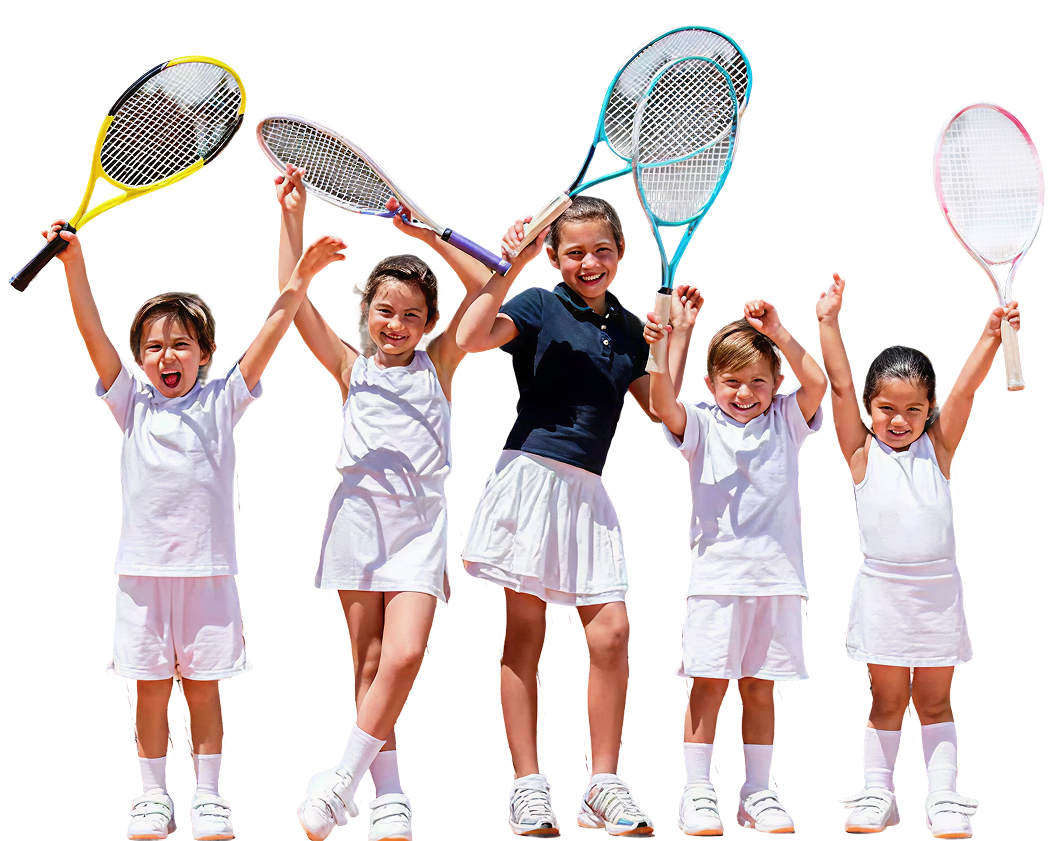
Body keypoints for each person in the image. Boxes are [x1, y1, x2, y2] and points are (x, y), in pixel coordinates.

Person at [42, 216, 347, 841]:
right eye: (153, 347)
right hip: (142, 576)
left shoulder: (223, 398)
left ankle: (209, 798)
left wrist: (301, 276)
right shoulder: (131, 402)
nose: (166, 356)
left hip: (208, 574)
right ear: (139, 360)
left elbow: (272, 331)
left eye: (181, 344)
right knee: (150, 691)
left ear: (206, 354)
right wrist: (74, 266)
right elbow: (92, 331)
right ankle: (154, 798)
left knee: (203, 690)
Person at [456, 196, 701, 838]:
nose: (588, 262)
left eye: (601, 250)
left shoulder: (626, 322)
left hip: (588, 491)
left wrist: (675, 336)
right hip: (531, 478)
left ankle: (603, 786)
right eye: (573, 252)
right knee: (526, 635)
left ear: (621, 254)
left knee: (612, 634)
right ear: (556, 258)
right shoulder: (537, 302)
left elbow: (658, 406)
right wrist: (510, 265)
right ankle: (529, 787)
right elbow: (469, 338)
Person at [272, 166, 492, 841]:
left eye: (412, 315)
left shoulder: (443, 361)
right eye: (385, 310)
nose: (396, 323)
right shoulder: (350, 367)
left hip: (419, 528)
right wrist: (292, 221)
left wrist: (426, 231)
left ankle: (341, 778)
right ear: (365, 311)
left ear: (430, 324)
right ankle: (389, 795)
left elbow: (490, 284)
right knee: (367, 664)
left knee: (405, 653)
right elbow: (291, 302)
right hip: (356, 524)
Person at [817, 272, 1017, 838]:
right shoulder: (858, 453)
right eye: (885, 408)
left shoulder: (941, 448)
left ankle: (945, 800)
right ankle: (878, 796)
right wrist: (828, 323)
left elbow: (967, 389)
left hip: (937, 594)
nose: (898, 420)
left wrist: (991, 336)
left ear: (930, 410)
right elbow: (836, 386)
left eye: (912, 409)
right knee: (885, 701)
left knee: (934, 701)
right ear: (870, 409)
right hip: (881, 591)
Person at [643, 295, 827, 835]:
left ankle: (756, 794)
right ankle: (697, 791)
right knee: (708, 684)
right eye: (732, 382)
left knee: (760, 687)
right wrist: (671, 338)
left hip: (777, 583)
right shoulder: (700, 424)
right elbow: (660, 401)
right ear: (710, 383)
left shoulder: (786, 421)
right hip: (717, 583)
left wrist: (778, 330)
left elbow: (816, 384)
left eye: (758, 382)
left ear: (775, 385)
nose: (745, 393)